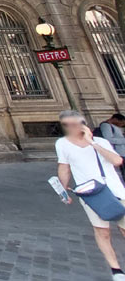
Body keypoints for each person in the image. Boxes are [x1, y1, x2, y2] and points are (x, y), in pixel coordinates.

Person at [56, 109, 125, 281]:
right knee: (103, 232)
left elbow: (117, 161)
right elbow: (64, 168)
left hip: (115, 191)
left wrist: (92, 143)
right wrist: (63, 190)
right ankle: (116, 270)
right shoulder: (62, 144)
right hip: (90, 194)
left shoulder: (101, 141)